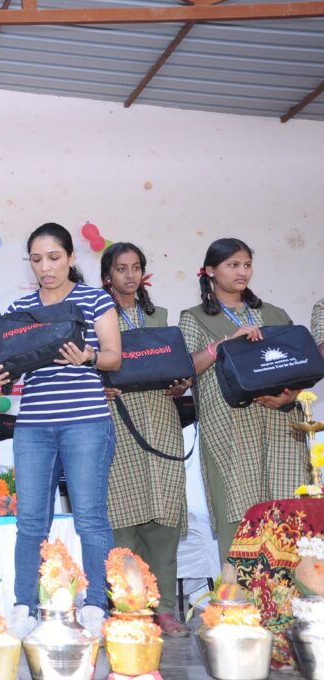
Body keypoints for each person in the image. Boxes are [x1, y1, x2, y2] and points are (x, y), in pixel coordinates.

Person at [0, 222, 121, 639]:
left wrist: (89, 356)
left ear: (72, 258)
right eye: (38, 259)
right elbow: (10, 373)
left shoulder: (95, 300)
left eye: (55, 257)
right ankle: (25, 604)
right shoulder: (21, 311)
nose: (46, 267)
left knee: (91, 519)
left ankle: (97, 604)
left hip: (86, 422)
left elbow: (115, 358)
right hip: (34, 426)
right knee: (30, 521)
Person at [179, 238, 308, 566]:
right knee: (240, 516)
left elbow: (299, 363)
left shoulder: (273, 313)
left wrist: (290, 396)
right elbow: (185, 369)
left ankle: (287, 602)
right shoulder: (194, 318)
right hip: (230, 431)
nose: (242, 271)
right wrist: (223, 343)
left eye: (247, 264)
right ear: (211, 270)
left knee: (288, 511)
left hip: (279, 426)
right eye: (232, 265)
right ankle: (243, 605)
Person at [99, 243, 189, 637]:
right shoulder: (95, 318)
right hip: (117, 423)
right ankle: (127, 606)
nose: (130, 276)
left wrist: (182, 383)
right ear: (108, 276)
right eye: (122, 269)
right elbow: (87, 368)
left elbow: (180, 368)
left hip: (161, 421)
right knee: (122, 517)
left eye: (136, 268)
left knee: (165, 516)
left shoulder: (162, 318)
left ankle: (165, 608)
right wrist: (97, 387)